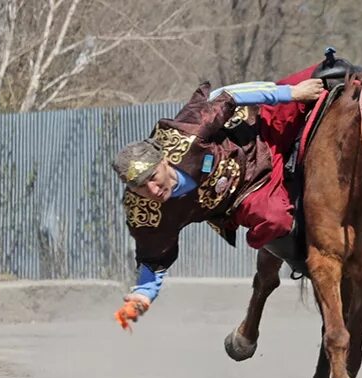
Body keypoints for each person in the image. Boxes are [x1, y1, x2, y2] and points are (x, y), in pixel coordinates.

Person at [111, 67, 324, 330]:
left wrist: (290, 92)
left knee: (322, 77)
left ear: (164, 160)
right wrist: (143, 295)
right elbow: (152, 258)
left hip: (259, 134)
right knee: (275, 220)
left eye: (154, 177)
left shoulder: (186, 135)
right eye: (141, 187)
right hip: (244, 194)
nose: (152, 191)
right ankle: (300, 258)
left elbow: (228, 95)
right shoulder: (144, 212)